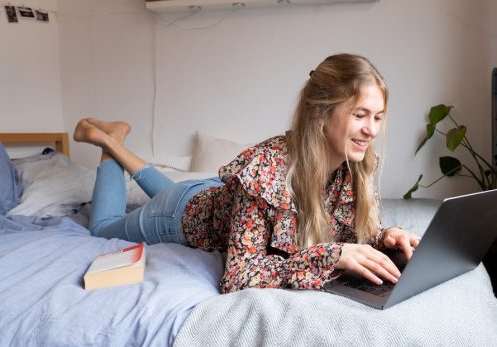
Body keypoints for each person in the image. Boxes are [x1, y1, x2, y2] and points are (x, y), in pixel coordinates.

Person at [74, 53, 420, 294]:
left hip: (214, 196)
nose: (372, 130)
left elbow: (345, 228)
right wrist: (330, 256)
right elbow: (239, 277)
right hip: (180, 214)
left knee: (171, 190)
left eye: (378, 117)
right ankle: (109, 144)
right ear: (322, 115)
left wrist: (385, 236)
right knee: (102, 229)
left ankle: (116, 143)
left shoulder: (355, 163)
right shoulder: (267, 170)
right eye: (361, 115)